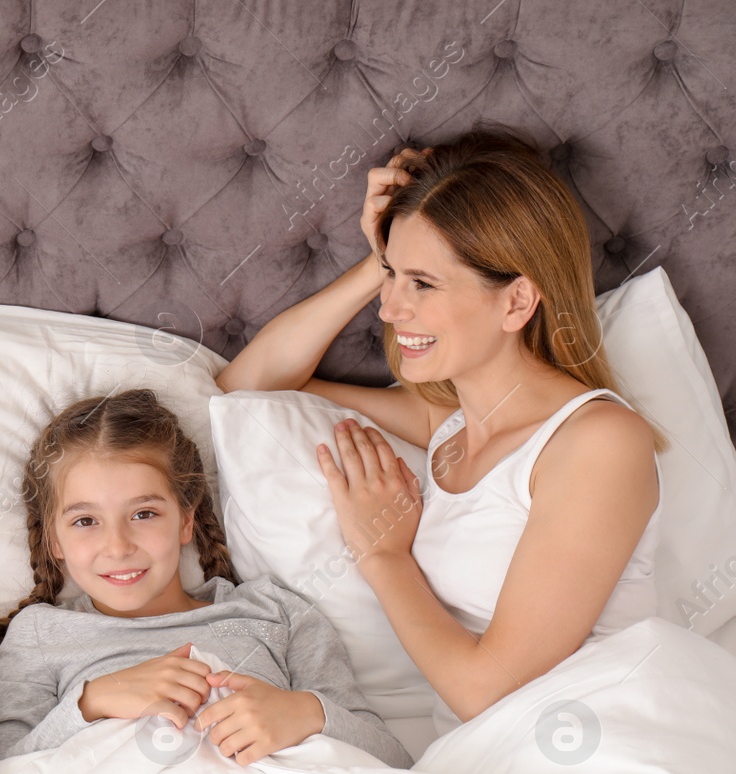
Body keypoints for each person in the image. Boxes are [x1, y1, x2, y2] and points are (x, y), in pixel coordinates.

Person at [216, 127, 663, 732]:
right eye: (391, 277)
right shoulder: (449, 428)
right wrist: (384, 259)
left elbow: (487, 691)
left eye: (422, 285)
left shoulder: (598, 443)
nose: (389, 309)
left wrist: (383, 554)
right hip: (478, 756)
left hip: (585, 745)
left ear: (515, 301)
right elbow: (249, 387)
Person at [0, 389, 410, 769]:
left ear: (186, 520)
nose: (118, 545)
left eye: (144, 514)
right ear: (53, 540)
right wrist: (93, 702)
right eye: (86, 521)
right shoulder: (40, 633)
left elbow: (392, 762)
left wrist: (306, 714)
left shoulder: (277, 613)